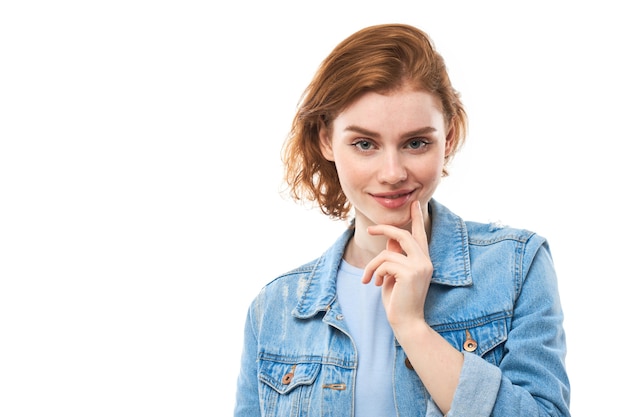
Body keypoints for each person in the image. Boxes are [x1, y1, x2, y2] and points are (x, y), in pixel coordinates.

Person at [234, 23, 570, 416]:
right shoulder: (275, 308)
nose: (392, 172)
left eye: (416, 143)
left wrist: (413, 328)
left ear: (448, 136)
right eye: (364, 144)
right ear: (327, 140)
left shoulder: (516, 266)